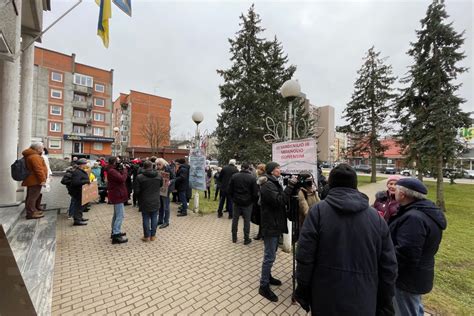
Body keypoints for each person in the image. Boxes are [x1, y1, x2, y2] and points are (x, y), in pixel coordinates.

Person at [294, 164, 398, 314]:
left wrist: (303, 290)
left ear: (330, 184)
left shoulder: (318, 212)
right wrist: (385, 301)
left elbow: (304, 256)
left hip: (325, 297)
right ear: (355, 185)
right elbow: (389, 267)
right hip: (363, 299)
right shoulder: (376, 217)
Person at [389, 178, 447, 316]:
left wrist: (388, 267)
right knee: (414, 307)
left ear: (402, 194)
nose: (393, 191)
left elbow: (406, 253)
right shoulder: (422, 211)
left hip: (406, 278)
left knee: (406, 310)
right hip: (417, 274)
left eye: (396, 189)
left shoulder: (414, 219)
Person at [258, 162, 292, 302]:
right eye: (277, 168)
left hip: (274, 223)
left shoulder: (272, 181)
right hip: (270, 225)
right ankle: (263, 286)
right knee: (269, 256)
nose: (280, 170)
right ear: (272, 171)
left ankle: (268, 277)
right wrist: (290, 187)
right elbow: (279, 201)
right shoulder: (267, 185)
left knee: (271, 254)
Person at [228, 163, 258, 245]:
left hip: (236, 201)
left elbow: (230, 189)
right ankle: (246, 238)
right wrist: (252, 200)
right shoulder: (252, 178)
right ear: (248, 168)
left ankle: (234, 238)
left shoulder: (234, 176)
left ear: (241, 168)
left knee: (235, 219)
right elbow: (255, 192)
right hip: (248, 203)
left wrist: (233, 198)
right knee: (246, 221)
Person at [134, 160, 163, 242]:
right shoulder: (158, 176)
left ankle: (146, 236)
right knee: (154, 217)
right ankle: (153, 236)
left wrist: (138, 199)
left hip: (144, 200)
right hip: (155, 199)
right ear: (152, 166)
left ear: (143, 167)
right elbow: (161, 185)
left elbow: (136, 191)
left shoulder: (140, 177)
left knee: (146, 218)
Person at [21, 143, 48, 219]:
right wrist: (42, 180)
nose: (43, 150)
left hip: (32, 180)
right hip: (35, 180)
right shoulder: (35, 156)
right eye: (42, 148)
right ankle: (31, 213)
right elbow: (38, 170)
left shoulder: (31, 155)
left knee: (30, 197)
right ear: (38, 148)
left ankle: (32, 210)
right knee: (33, 197)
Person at [107, 156, 129, 244]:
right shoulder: (112, 171)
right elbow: (122, 179)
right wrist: (125, 170)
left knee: (116, 215)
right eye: (118, 161)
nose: (119, 163)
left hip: (117, 194)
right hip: (117, 195)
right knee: (120, 215)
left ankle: (115, 231)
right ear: (114, 162)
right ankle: (116, 234)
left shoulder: (112, 170)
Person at [68, 159, 91, 226]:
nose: (86, 165)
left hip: (81, 191)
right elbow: (75, 182)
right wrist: (86, 181)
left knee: (82, 205)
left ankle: (79, 218)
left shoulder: (80, 171)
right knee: (78, 206)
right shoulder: (77, 172)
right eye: (85, 164)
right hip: (78, 192)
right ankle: (77, 220)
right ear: (82, 165)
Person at [156, 158, 175, 228]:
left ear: (163, 164)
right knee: (160, 206)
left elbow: (174, 178)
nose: (158, 166)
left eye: (159, 164)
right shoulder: (157, 169)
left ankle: (166, 221)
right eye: (157, 164)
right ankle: (160, 220)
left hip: (167, 189)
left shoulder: (168, 169)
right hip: (160, 189)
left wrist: (170, 182)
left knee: (166, 206)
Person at [252, 163, 266, 240]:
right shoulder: (259, 177)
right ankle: (261, 234)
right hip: (259, 200)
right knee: (260, 218)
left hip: (262, 201)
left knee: (262, 218)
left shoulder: (263, 178)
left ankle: (261, 234)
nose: (257, 170)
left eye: (259, 169)